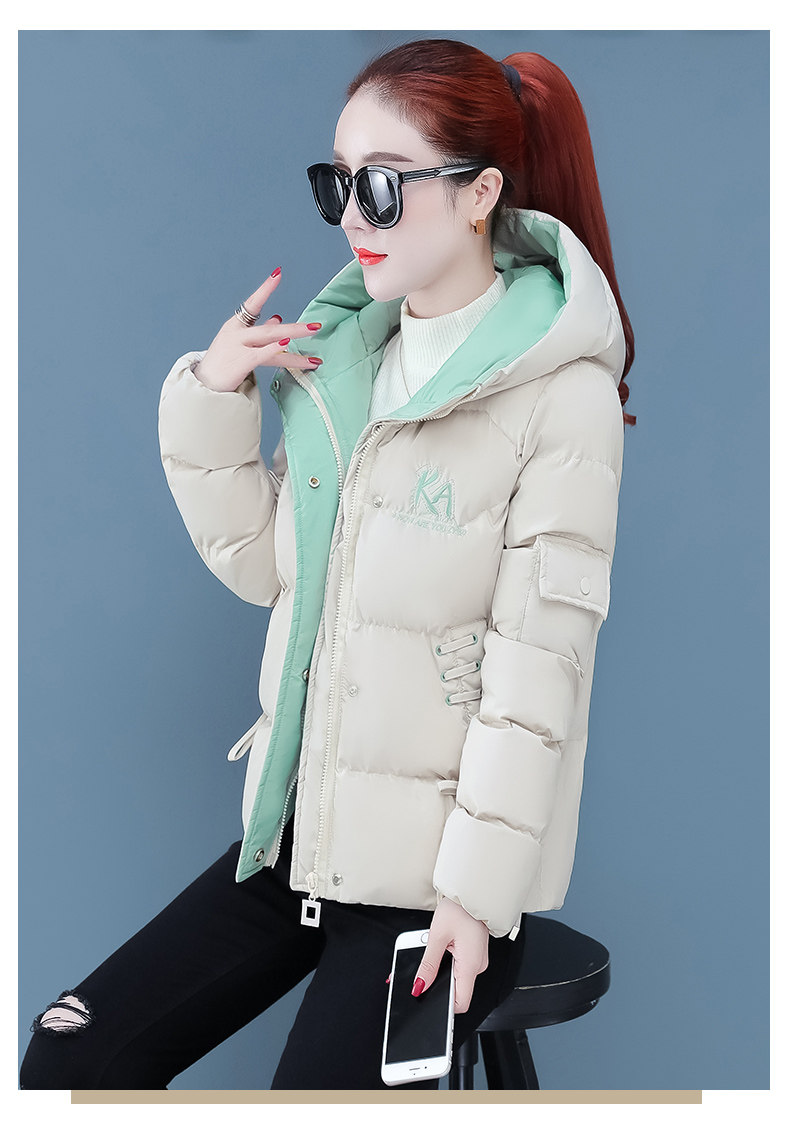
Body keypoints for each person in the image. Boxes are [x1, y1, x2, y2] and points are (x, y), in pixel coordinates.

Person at [20, 38, 635, 1092]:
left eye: (382, 186)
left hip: (433, 884)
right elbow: (272, 571)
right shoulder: (348, 356)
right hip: (299, 840)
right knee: (68, 1060)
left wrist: (473, 899)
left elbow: (538, 674)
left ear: (480, 193)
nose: (352, 216)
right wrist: (214, 399)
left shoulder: (558, 394)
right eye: (335, 182)